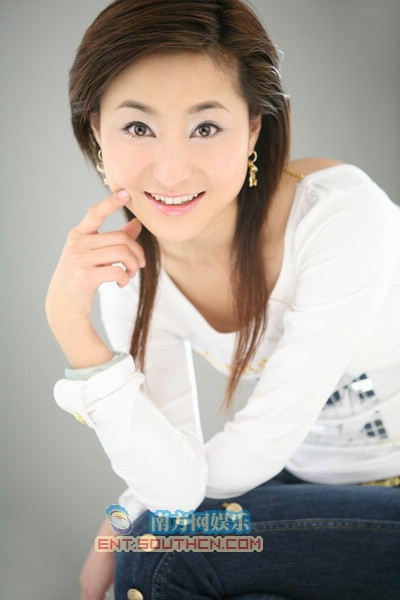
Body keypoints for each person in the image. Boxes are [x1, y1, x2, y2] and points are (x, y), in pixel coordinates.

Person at [45, 0, 400, 598]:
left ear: (254, 129)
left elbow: (238, 457)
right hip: (305, 490)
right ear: (97, 133)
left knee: (161, 554)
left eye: (206, 128)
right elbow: (172, 486)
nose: (172, 171)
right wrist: (71, 327)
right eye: (138, 128)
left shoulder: (338, 215)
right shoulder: (132, 272)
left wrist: (132, 512)